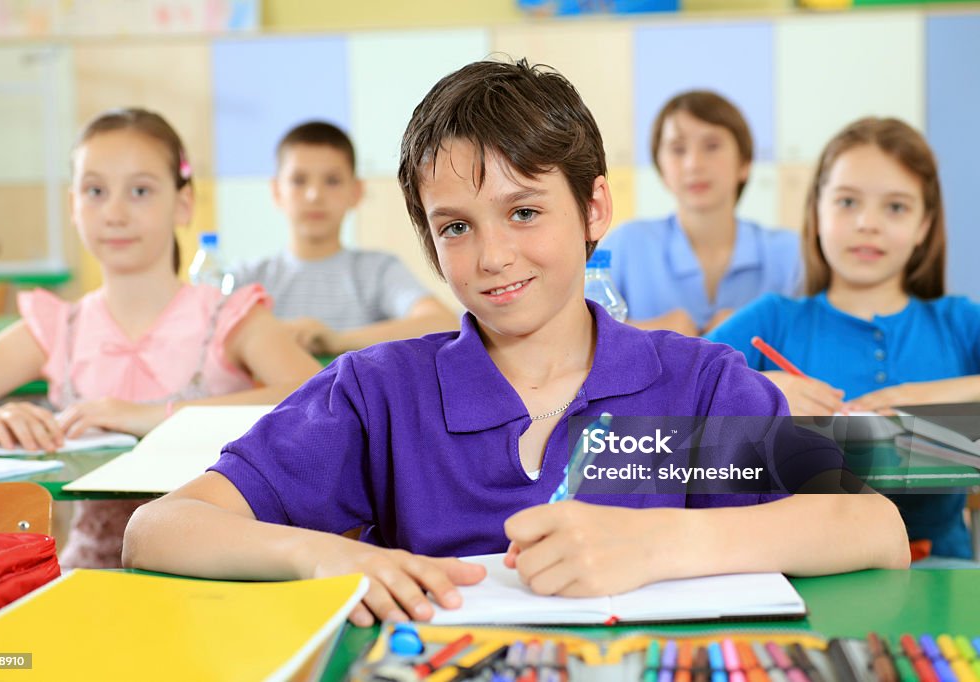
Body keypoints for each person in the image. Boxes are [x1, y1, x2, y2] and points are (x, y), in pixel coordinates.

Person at [124, 61, 908, 626]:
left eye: (524, 212)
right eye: (456, 227)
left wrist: (658, 542)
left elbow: (873, 529)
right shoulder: (378, 393)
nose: (493, 255)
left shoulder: (695, 384)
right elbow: (157, 531)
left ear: (594, 207)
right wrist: (328, 556)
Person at [0, 108, 321, 568]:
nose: (114, 212)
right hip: (86, 574)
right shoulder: (58, 327)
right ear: (73, 205)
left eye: (141, 191)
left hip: (218, 571)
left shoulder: (229, 316)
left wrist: (151, 416)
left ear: (183, 203)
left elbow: (315, 398)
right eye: (94, 191)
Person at [708, 117, 980, 559]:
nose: (868, 223)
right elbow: (667, 394)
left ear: (925, 225)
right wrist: (764, 390)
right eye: (848, 201)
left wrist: (931, 396)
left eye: (895, 207)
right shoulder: (774, 319)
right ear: (816, 212)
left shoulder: (959, 323)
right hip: (801, 572)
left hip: (943, 577)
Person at [231, 121, 459, 355]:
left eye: (332, 181)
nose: (314, 195)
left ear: (356, 191)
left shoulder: (377, 270)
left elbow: (443, 322)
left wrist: (338, 340)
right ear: (276, 191)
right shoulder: (247, 279)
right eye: (299, 180)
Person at [602, 91, 801, 336]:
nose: (693, 164)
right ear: (660, 168)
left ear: (745, 162)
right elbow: (571, 333)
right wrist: (651, 334)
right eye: (678, 149)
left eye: (712, 146)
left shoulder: (791, 254)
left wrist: (755, 327)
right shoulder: (627, 245)